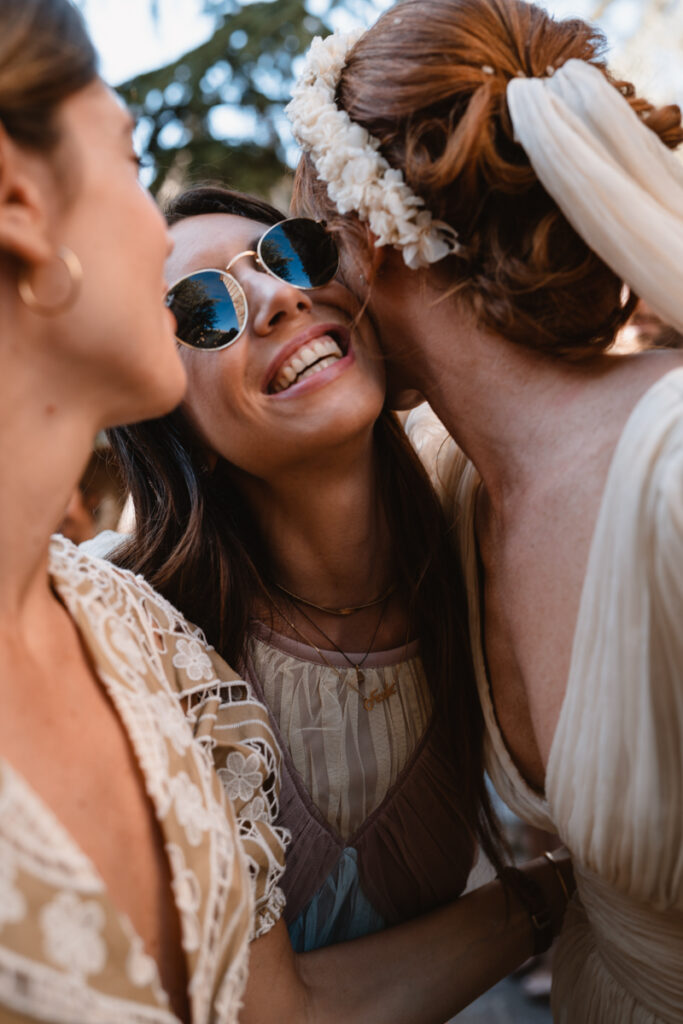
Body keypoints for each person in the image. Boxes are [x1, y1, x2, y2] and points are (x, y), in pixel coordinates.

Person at [289, 0, 683, 1021]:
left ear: (367, 237)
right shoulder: (457, 490)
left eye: (299, 246)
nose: (294, 300)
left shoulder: (672, 474)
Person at [99, 184, 575, 1018]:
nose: (281, 297)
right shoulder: (140, 641)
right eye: (204, 309)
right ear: (177, 433)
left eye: (289, 255)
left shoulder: (482, 529)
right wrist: (562, 900)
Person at [0, 2, 289, 1021]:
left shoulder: (136, 626)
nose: (152, 228)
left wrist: (562, 904)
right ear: (18, 199)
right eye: (129, 164)